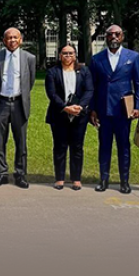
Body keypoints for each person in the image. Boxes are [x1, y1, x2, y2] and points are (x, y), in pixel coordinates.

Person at [90, 24, 139, 193]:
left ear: (122, 37)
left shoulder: (133, 57)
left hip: (123, 110)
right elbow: (92, 86)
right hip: (104, 110)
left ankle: (124, 182)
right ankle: (103, 180)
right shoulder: (97, 59)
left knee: (123, 147)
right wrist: (92, 109)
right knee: (104, 146)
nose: (114, 37)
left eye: (117, 34)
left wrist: (138, 106)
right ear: (105, 38)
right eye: (110, 35)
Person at [0, 27, 36, 189]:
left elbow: (30, 81)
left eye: (15, 38)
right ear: (4, 40)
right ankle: (1, 174)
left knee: (21, 142)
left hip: (19, 103)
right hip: (1, 103)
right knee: (0, 141)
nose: (12, 40)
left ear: (20, 40)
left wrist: (20, 97)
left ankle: (20, 174)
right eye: (9, 38)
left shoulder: (29, 58)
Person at [44, 44, 94, 190]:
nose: (68, 56)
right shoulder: (53, 72)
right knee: (60, 146)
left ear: (75, 55)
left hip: (79, 115)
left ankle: (76, 179)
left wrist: (80, 106)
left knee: (77, 147)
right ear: (60, 55)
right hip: (59, 114)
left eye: (71, 53)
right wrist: (65, 107)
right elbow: (51, 93)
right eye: (64, 53)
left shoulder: (84, 71)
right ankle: (59, 178)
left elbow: (89, 90)